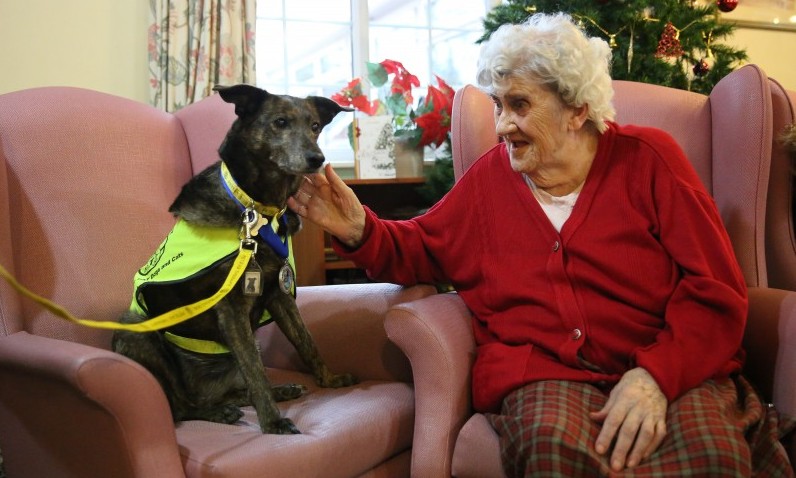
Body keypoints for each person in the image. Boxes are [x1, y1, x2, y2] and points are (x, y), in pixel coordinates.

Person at [288, 12, 794, 477]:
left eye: (520, 105)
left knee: (710, 453)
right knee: (553, 446)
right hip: (544, 372)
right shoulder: (491, 179)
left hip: (667, 362)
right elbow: (420, 246)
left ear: (576, 109)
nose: (503, 125)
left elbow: (714, 287)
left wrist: (655, 377)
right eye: (497, 105)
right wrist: (358, 228)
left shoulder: (649, 161)